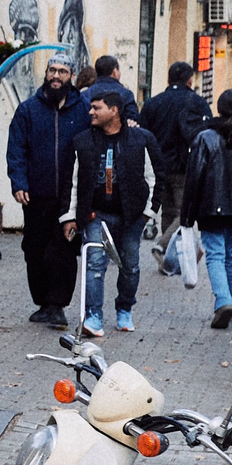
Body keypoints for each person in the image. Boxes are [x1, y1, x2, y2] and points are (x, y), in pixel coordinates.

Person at [66, 87, 165, 336]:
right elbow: (72, 182)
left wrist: (148, 212)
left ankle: (125, 309)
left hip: (132, 216)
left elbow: (155, 177)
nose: (90, 112)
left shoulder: (141, 140)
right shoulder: (82, 141)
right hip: (95, 215)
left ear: (114, 110)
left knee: (130, 264)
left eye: (96, 107)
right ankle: (93, 318)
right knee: (95, 263)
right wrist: (70, 216)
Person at [4, 54, 89, 327]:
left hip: (69, 198)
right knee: (34, 249)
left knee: (63, 251)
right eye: (52, 70)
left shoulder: (83, 109)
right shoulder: (28, 110)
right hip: (36, 195)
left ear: (71, 76)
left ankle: (58, 305)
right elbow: (16, 149)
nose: (56, 76)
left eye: (62, 71)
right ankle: (42, 301)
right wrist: (18, 183)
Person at [182, 89, 232, 329]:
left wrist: (187, 215)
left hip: (211, 207)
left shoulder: (205, 137)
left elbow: (194, 177)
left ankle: (223, 301)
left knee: (215, 255)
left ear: (218, 108)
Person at [140, 60, 212, 263]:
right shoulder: (197, 102)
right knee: (185, 212)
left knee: (168, 211)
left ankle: (168, 259)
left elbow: (142, 134)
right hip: (185, 167)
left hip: (157, 167)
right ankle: (163, 245)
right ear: (190, 80)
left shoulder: (153, 103)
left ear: (168, 78)